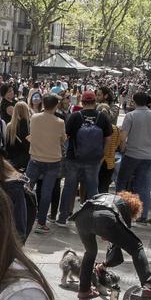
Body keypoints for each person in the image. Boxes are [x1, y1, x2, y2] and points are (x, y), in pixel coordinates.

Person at [70, 191, 151, 300]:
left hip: (82, 216)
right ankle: (150, 288)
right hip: (105, 218)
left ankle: (84, 290)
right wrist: (106, 263)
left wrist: (105, 264)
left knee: (90, 252)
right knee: (136, 247)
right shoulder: (124, 207)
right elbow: (117, 245)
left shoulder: (106, 195)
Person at [57, 90, 113, 224]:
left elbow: (66, 136)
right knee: (93, 188)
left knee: (69, 187)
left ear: (82, 102)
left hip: (74, 158)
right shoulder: (102, 117)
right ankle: (94, 219)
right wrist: (102, 154)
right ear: (95, 102)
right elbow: (108, 138)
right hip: (93, 160)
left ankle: (62, 217)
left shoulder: (76, 116)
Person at [116, 92, 151, 224]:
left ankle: (118, 208)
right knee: (141, 186)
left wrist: (123, 147)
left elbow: (123, 137)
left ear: (134, 101)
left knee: (122, 182)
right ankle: (137, 213)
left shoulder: (130, 115)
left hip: (132, 154)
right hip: (148, 157)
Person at [27, 93, 66, 233]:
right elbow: (63, 140)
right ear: (55, 106)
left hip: (35, 158)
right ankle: (41, 222)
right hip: (53, 160)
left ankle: (22, 216)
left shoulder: (34, 118)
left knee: (27, 188)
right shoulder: (60, 122)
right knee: (46, 193)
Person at [3, 101, 32, 173]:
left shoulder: (10, 126)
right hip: (28, 159)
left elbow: (8, 146)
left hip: (14, 160)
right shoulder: (30, 125)